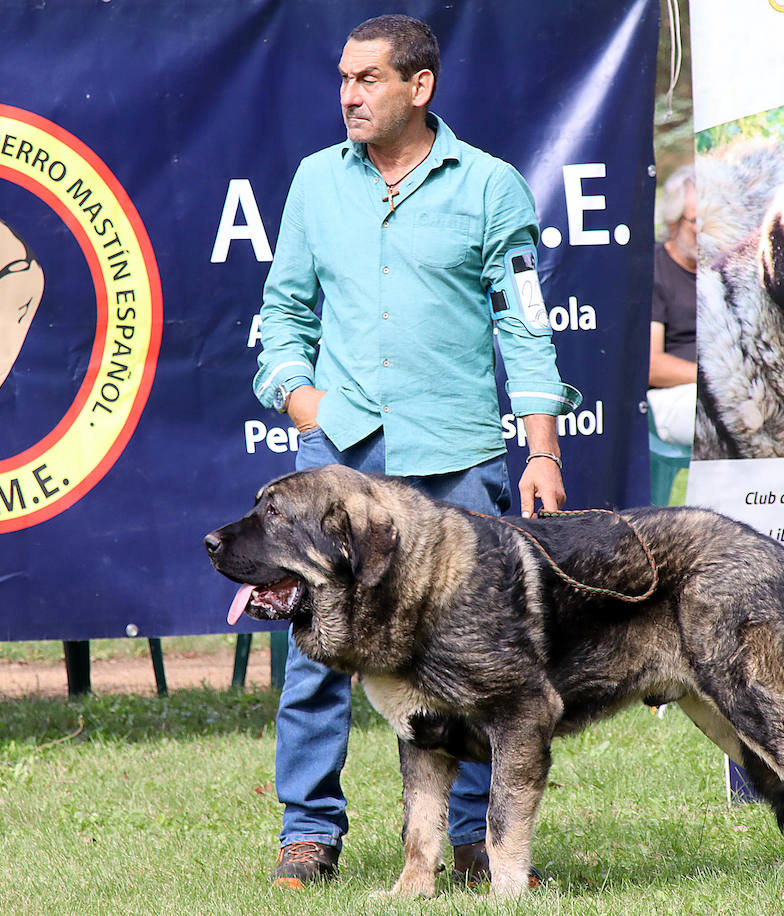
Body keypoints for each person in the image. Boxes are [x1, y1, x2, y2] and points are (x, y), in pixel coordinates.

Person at [252, 13, 581, 889]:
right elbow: (280, 315)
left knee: (477, 658)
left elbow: (526, 327)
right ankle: (309, 833)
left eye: (369, 80)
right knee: (318, 655)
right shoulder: (316, 183)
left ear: (419, 86)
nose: (350, 96)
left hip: (460, 459)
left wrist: (541, 451)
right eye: (345, 79)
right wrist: (304, 397)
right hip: (343, 466)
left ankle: (473, 839)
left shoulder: (491, 186)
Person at [647, 165, 697, 503]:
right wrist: (712, 381)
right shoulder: (653, 269)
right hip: (669, 397)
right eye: (697, 222)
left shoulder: (722, 267)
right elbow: (652, 365)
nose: (706, 232)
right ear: (674, 222)